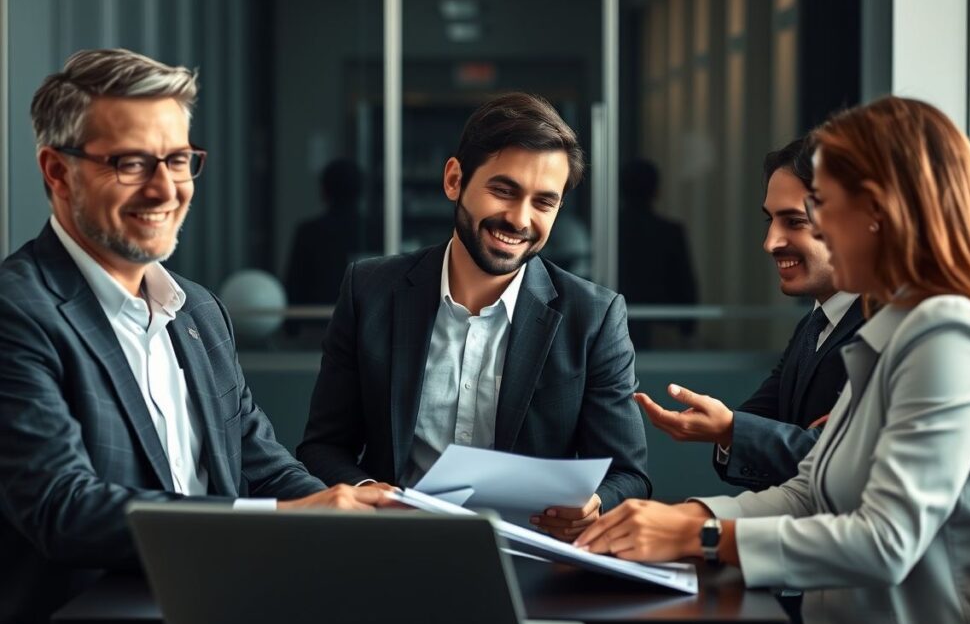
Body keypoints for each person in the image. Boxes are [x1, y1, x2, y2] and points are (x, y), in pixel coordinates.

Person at [478, 96, 970, 624]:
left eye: (821, 206)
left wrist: (702, 539)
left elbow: (886, 541)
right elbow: (807, 494)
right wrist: (679, 517)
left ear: (880, 210)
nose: (813, 229)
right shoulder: (896, 332)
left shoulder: (947, 337)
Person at [0, 49, 389, 624]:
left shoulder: (198, 313)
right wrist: (286, 524)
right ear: (57, 170)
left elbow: (259, 461)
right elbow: (65, 509)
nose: (167, 188)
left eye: (179, 159)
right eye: (132, 163)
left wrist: (370, 519)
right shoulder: (19, 314)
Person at [299, 92, 651, 541]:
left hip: (529, 560)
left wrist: (596, 503)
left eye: (544, 202)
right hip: (390, 548)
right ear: (453, 180)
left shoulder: (594, 317)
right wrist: (370, 496)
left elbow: (629, 475)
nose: (519, 218)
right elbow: (323, 445)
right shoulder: (370, 291)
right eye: (503, 190)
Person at [636, 138, 864, 491]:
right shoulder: (813, 325)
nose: (770, 242)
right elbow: (760, 425)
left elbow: (839, 463)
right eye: (770, 220)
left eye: (794, 221)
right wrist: (729, 429)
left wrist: (731, 429)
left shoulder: (887, 329)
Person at [617, 158, 698, 347]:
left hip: (617, 322)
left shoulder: (609, 232)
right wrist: (688, 328)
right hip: (661, 324)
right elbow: (685, 283)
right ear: (656, 191)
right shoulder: (670, 232)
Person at [284, 157, 363, 306]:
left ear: (325, 190)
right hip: (365, 319)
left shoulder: (309, 232)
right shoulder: (376, 230)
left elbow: (294, 287)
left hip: (317, 321)